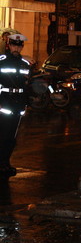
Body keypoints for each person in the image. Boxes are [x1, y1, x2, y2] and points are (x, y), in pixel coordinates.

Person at [0, 34, 31, 178]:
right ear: (8, 45)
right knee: (3, 134)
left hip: (18, 104)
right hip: (4, 101)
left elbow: (26, 85)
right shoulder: (2, 61)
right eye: (14, 45)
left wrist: (26, 103)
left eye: (19, 45)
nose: (16, 48)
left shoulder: (25, 64)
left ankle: (6, 162)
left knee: (12, 136)